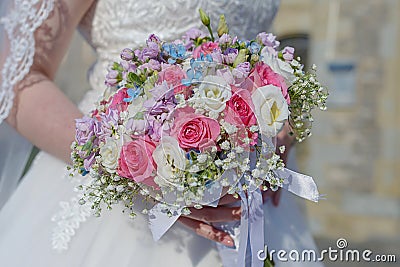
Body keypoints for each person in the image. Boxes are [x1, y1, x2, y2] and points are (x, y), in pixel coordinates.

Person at [0, 0, 322, 266]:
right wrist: (130, 165)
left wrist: (281, 132)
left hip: (253, 189)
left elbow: (261, 50)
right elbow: (16, 77)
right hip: (116, 188)